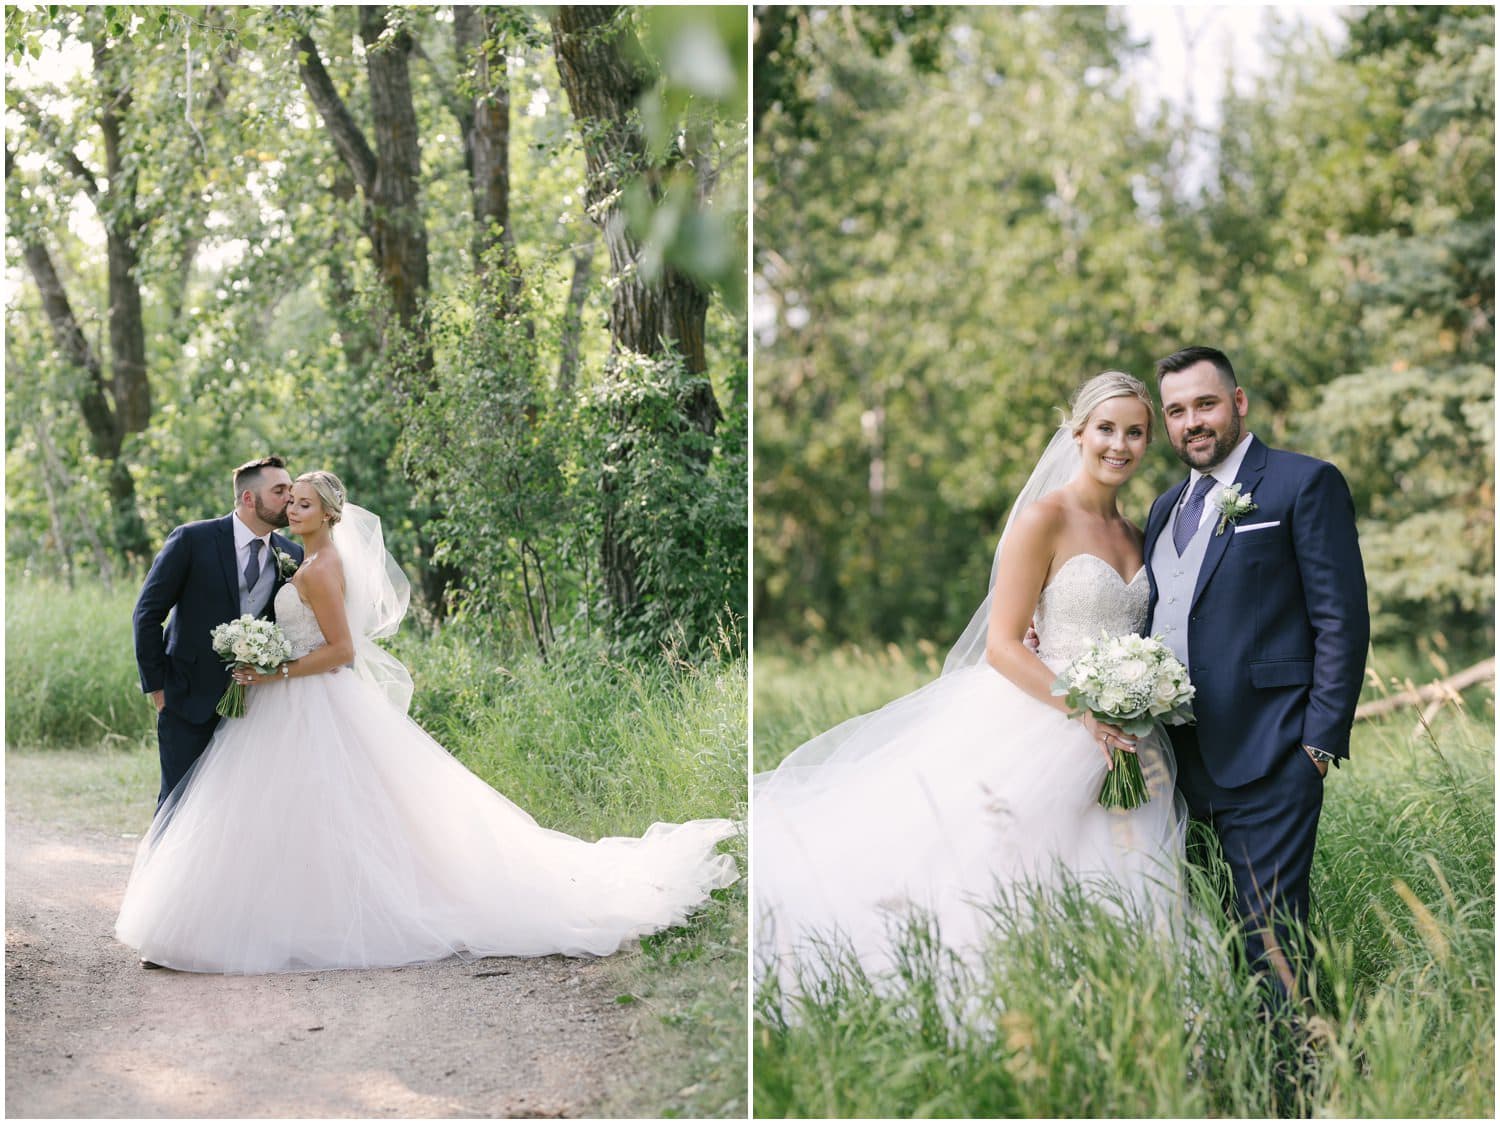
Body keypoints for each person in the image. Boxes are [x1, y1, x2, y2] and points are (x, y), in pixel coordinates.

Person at [116, 471, 737, 974]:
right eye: (288, 499)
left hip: (303, 697)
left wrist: (272, 670)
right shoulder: (289, 558)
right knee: (277, 812)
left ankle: (323, 917)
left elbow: (341, 652)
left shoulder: (317, 567)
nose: (292, 508)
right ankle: (269, 912)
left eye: (303, 502)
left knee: (330, 807)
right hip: (274, 702)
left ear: (328, 514)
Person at [753, 371, 1188, 992]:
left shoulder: (1137, 533)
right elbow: (1003, 645)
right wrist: (1085, 709)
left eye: (1136, 433)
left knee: (1124, 869)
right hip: (1050, 722)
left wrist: (1136, 695)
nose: (1119, 445)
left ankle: (1114, 993)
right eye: (1106, 429)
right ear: (1078, 432)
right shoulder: (1044, 519)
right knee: (1007, 873)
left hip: (1128, 737)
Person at [1144, 346, 1368, 1003]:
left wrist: (1317, 747)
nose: (1194, 422)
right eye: (1178, 411)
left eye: (1206, 404)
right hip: (1177, 768)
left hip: (1271, 757)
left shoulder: (1302, 484)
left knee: (1270, 941)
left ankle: (1294, 1087)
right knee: (1205, 941)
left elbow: (1342, 622)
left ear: (1238, 404)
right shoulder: (1162, 509)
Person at [133, 456, 302, 808]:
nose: (290, 496)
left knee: (236, 810)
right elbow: (147, 614)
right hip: (187, 698)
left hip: (256, 707)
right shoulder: (193, 539)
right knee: (178, 803)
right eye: (279, 490)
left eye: (291, 488)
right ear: (249, 498)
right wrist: (159, 690)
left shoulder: (291, 553)